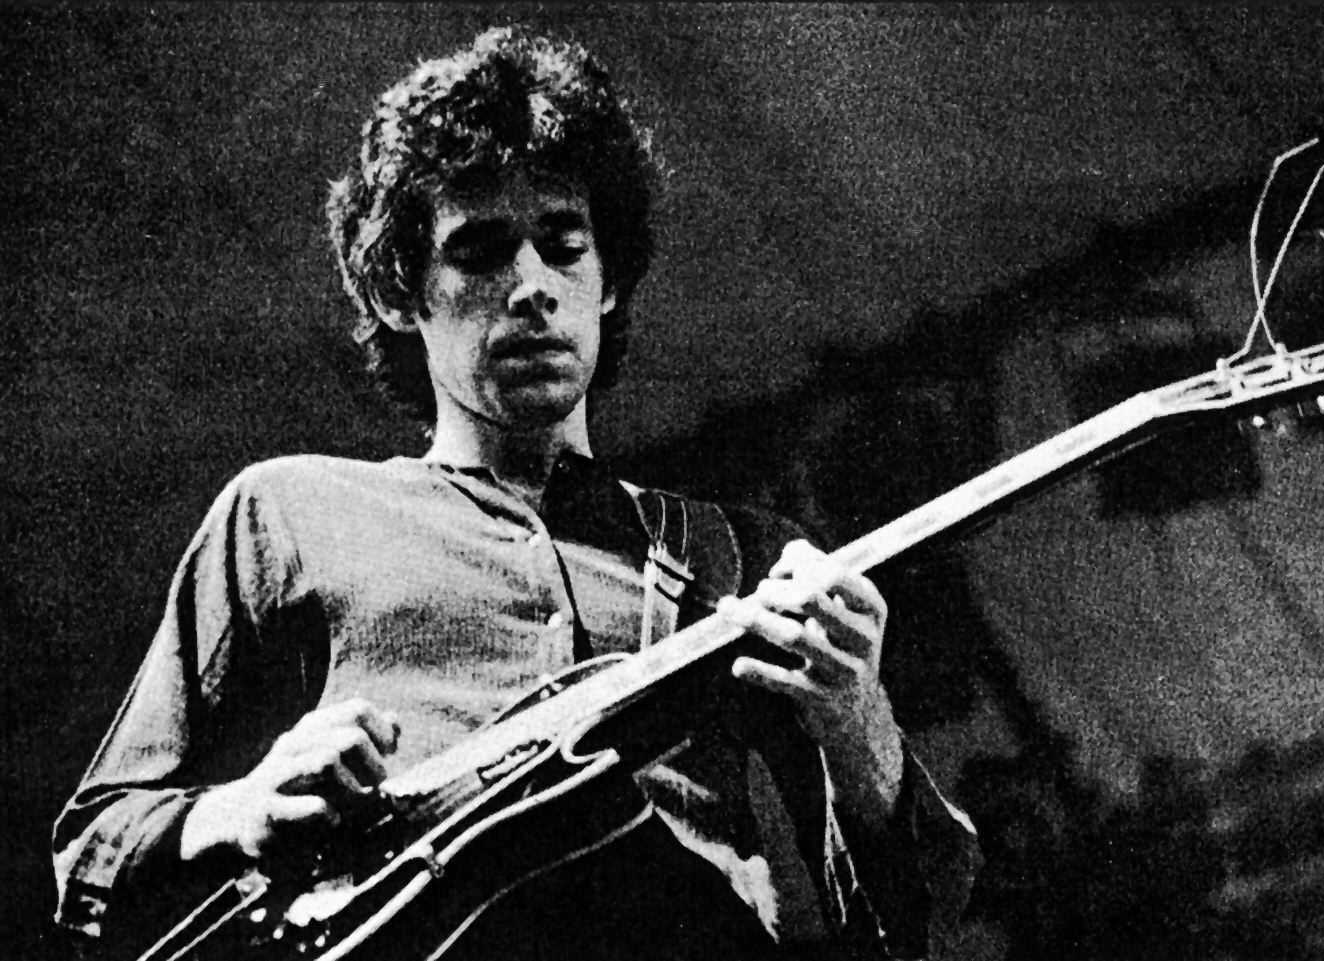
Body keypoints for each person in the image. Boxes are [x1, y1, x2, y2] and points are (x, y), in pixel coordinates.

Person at [52, 25, 980, 961]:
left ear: (607, 283)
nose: (532, 285)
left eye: (564, 247)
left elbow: (922, 913)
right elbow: (94, 848)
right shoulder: (290, 513)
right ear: (398, 293)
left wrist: (857, 719)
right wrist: (239, 808)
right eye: (482, 251)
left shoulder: (740, 557)